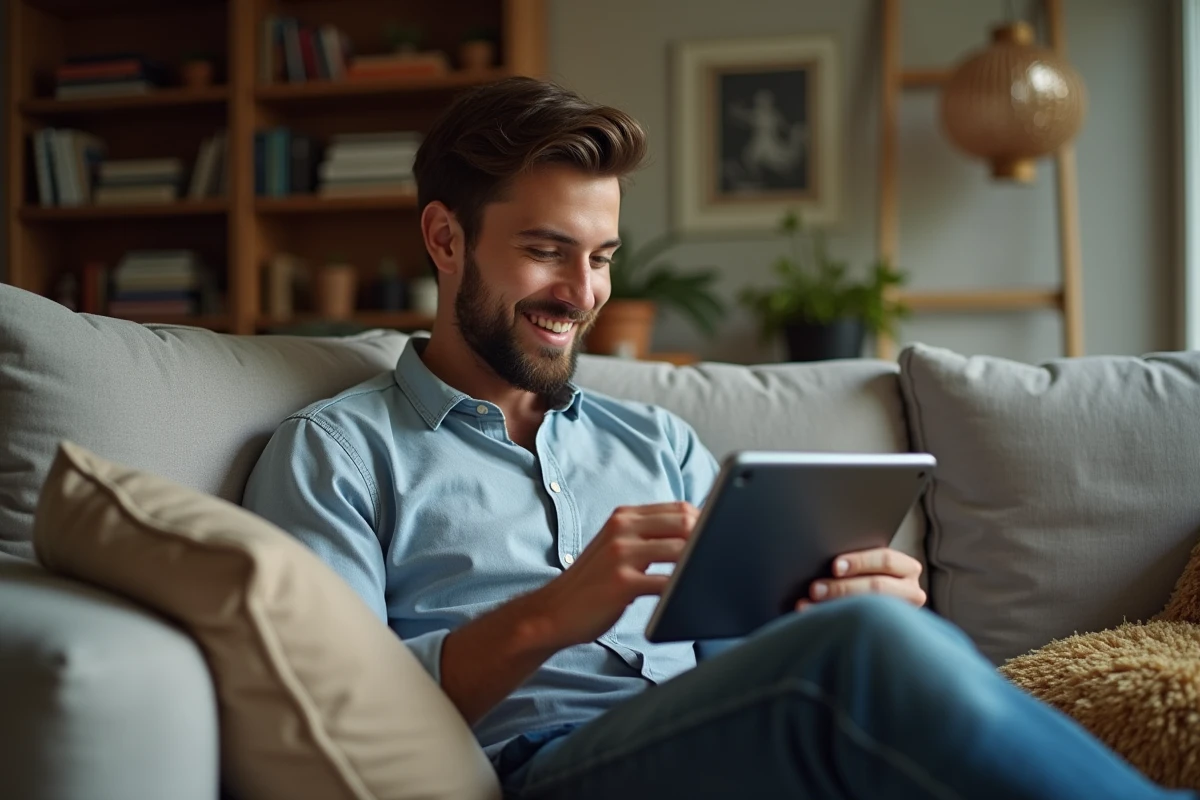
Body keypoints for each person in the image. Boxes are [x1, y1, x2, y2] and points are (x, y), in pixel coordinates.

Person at [243, 77, 1192, 800]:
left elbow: (743, 665)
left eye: (602, 256)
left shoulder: (655, 440)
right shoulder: (337, 453)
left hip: (709, 743)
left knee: (869, 631)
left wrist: (836, 602)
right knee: (857, 652)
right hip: (536, 770)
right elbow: (330, 709)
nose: (582, 294)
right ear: (445, 240)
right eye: (545, 251)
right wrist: (551, 615)